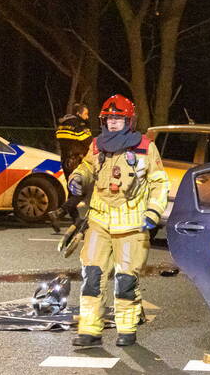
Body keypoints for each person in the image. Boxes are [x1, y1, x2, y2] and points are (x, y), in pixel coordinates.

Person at [67, 94, 169, 348]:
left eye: (118, 118)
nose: (113, 123)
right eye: (109, 118)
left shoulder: (145, 147)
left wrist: (153, 213)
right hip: (99, 222)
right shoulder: (97, 145)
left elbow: (159, 183)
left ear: (128, 121)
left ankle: (127, 329)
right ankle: (90, 330)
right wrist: (78, 178)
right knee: (92, 277)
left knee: (126, 280)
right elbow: (87, 168)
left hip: (132, 225)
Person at [55, 103, 93, 224]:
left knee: (72, 189)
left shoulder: (62, 124)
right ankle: (59, 213)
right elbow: (88, 141)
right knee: (80, 191)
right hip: (76, 162)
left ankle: (75, 220)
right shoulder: (79, 124)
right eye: (86, 114)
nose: (87, 117)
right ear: (78, 113)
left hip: (65, 160)